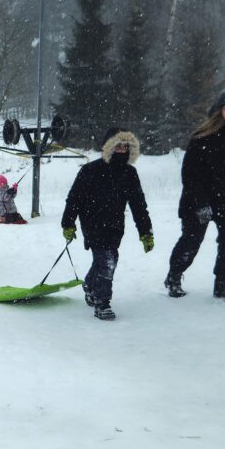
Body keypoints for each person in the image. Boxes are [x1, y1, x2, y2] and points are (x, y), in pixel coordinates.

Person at [163, 87, 225, 306]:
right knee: (191, 241)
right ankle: (174, 277)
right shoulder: (202, 136)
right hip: (198, 200)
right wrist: (200, 203)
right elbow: (190, 174)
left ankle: (222, 287)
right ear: (219, 110)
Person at [61, 128, 154, 321]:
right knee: (107, 261)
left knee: (106, 259)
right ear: (108, 147)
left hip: (115, 226)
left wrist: (145, 232)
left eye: (125, 146)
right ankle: (102, 303)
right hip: (92, 223)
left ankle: (90, 285)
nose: (122, 150)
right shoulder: (90, 170)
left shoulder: (129, 173)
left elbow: (138, 205)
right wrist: (68, 223)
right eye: (117, 146)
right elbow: (74, 199)